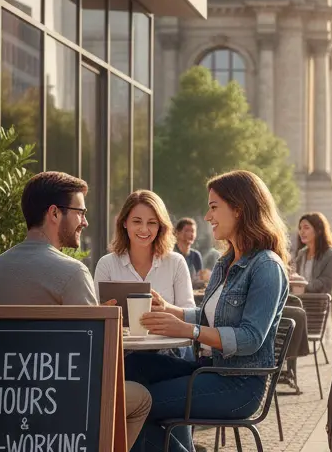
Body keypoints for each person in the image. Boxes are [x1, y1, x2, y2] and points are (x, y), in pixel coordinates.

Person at [0, 171, 152, 449]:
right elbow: (95, 360)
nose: (85, 221)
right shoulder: (71, 272)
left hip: (0, 406)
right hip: (60, 405)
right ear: (54, 213)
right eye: (80, 212)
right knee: (141, 397)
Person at [124, 170, 289, 452]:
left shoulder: (266, 267)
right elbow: (210, 315)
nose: (208, 216)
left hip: (238, 386)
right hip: (209, 370)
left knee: (130, 406)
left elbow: (250, 338)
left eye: (214, 207)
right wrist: (172, 311)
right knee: (134, 365)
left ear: (238, 210)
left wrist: (191, 331)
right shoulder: (226, 263)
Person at [94, 190, 195, 311]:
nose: (144, 229)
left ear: (160, 226)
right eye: (137, 221)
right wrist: (100, 311)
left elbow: (190, 314)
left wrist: (166, 308)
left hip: (165, 331)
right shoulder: (106, 265)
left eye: (152, 223)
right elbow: (96, 316)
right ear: (125, 222)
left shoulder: (176, 262)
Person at [292, 211, 332, 298]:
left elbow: (326, 283)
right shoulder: (301, 254)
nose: (301, 232)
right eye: (300, 228)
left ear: (318, 230)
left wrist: (303, 286)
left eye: (306, 228)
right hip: (300, 303)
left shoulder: (330, 255)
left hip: (318, 305)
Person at [173, 218, 205, 285]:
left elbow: (200, 278)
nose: (191, 234)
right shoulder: (171, 253)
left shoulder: (196, 255)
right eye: (187, 231)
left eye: (193, 231)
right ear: (177, 233)